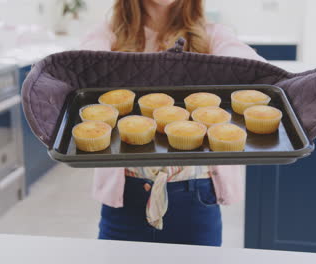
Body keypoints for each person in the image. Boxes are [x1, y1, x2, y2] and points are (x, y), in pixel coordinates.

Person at [80, 0, 266, 246]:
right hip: (126, 197)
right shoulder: (108, 34)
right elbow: (82, 65)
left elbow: (250, 65)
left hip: (197, 196)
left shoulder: (213, 36)